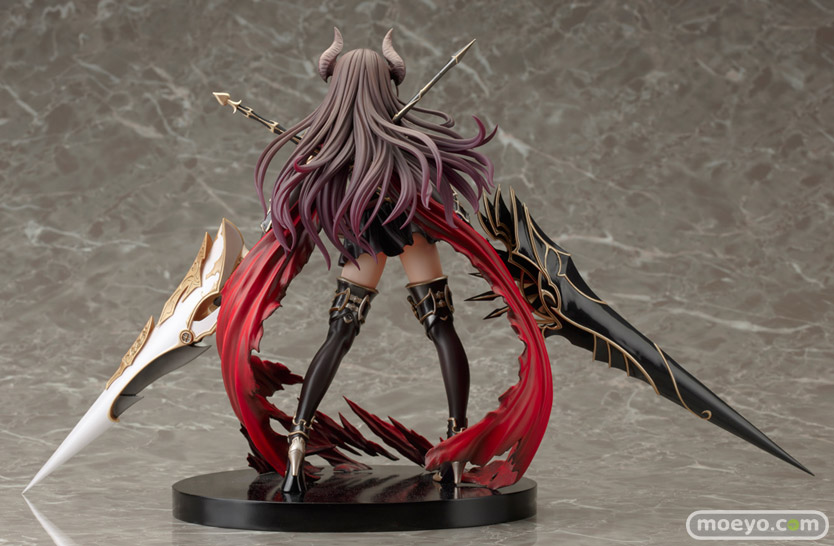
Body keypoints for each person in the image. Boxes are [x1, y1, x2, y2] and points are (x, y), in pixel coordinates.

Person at [248, 28, 495, 494]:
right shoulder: (398, 133)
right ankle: (455, 443)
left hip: (366, 233)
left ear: (339, 88)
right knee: (441, 326)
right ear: (386, 86)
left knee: (340, 332)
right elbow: (432, 175)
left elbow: (302, 188)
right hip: (410, 229)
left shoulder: (335, 140)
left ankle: (298, 439)